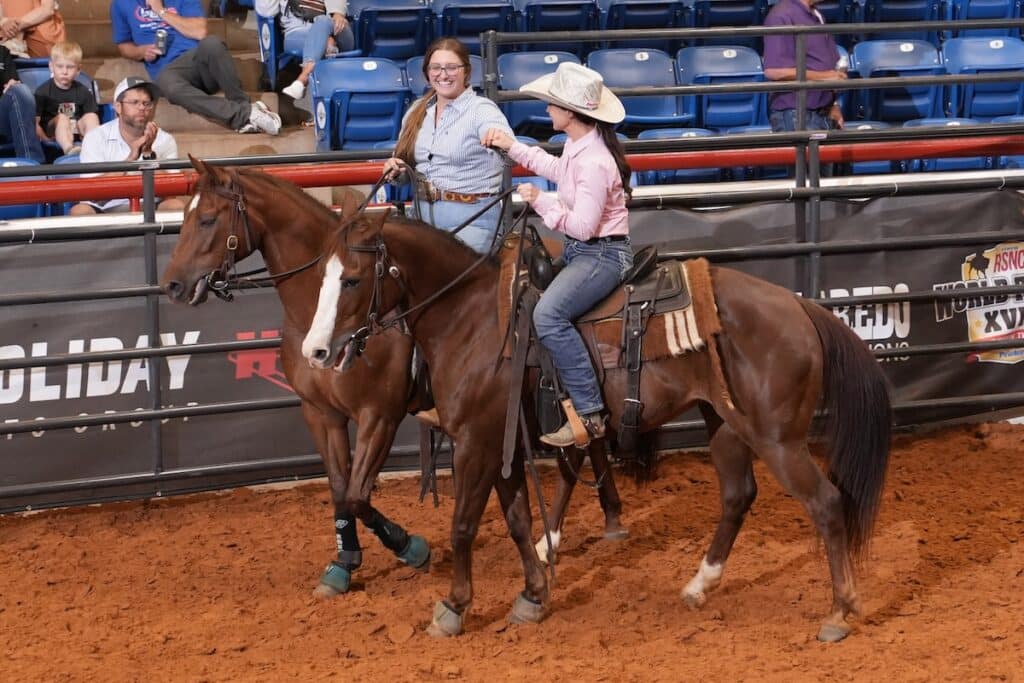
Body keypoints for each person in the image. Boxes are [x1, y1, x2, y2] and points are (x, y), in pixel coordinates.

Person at [482, 62, 633, 447]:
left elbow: (582, 227)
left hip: (601, 255)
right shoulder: (581, 147)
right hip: (588, 251)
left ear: (570, 112)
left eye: (552, 103)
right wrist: (512, 146)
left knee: (547, 315)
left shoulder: (594, 162)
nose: (547, 109)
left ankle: (590, 412)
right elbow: (555, 168)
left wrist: (541, 201)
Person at [381, 37, 513, 254]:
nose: (443, 75)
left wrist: (501, 142)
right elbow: (406, 174)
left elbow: (510, 153)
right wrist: (396, 171)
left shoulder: (482, 110)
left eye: (451, 68)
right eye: (436, 68)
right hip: (420, 219)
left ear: (466, 71)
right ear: (427, 72)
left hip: (473, 220)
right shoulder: (416, 110)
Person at [111, 0, 281, 135]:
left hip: (197, 61)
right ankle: (247, 114)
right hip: (168, 72)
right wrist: (141, 51)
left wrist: (160, 11)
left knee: (212, 43)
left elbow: (200, 31)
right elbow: (124, 46)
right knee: (167, 83)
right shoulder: (121, 4)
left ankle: (241, 105)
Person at [70, 76, 184, 215]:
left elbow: (172, 191)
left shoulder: (165, 139)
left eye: (147, 103)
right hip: (106, 208)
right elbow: (92, 194)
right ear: (118, 106)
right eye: (135, 102)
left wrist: (148, 155)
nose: (142, 107)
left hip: (150, 207)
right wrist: (130, 160)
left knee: (175, 206)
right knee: (80, 211)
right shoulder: (95, 137)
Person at [762, 0, 846, 132]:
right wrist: (825, 77)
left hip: (823, 111)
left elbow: (827, 64)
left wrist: (833, 105)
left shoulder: (817, 14)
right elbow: (775, 71)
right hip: (796, 112)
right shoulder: (781, 16)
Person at [255, 0, 354, 101]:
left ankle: (304, 78)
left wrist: (338, 13)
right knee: (327, 42)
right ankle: (308, 81)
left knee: (324, 21)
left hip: (335, 28)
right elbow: (266, 11)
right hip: (297, 34)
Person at [34, 40, 100, 157]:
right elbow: (35, 124)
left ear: (78, 70)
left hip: (76, 129)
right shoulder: (42, 92)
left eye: (70, 67)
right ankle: (69, 150)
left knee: (91, 116)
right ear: (51, 67)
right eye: (60, 66)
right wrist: (45, 140)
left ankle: (94, 149)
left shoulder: (83, 91)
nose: (64, 72)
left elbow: (90, 119)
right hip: (52, 132)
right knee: (62, 118)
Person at [0, 41, 43, 161]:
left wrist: (12, 83)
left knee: (20, 90)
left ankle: (31, 162)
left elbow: (12, 82)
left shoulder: (2, 52)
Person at [0, 0, 65, 58]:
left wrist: (14, 27)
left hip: (40, 35)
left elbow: (47, 10)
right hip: (8, 37)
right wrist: (3, 23)